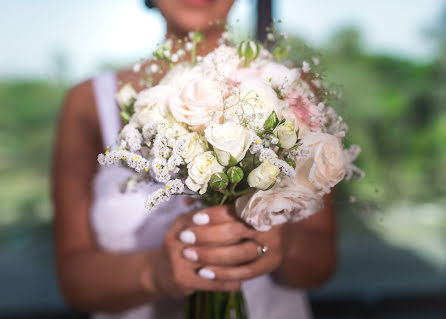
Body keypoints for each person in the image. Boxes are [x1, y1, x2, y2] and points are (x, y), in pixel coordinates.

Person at [52, 0, 337, 318]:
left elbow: (322, 264)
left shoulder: (293, 93)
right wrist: (153, 272)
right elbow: (73, 280)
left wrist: (287, 244)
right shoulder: (88, 103)